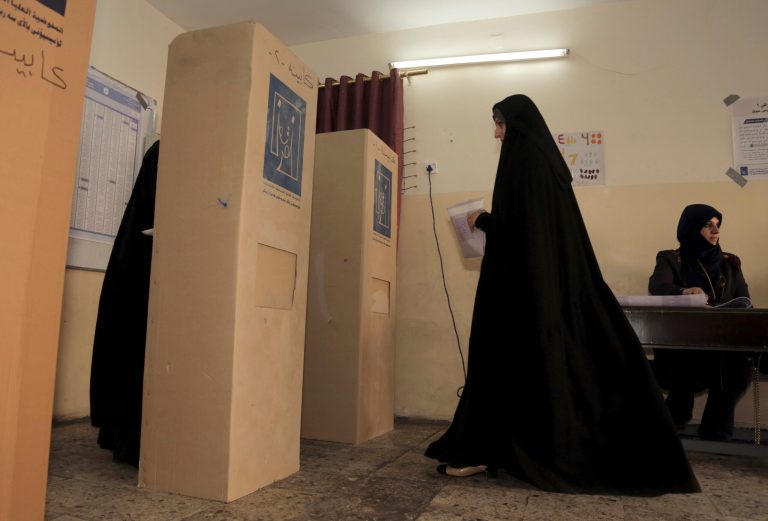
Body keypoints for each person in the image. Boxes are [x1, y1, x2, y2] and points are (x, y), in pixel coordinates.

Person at [425, 95, 700, 495]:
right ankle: (492, 449)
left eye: (501, 125)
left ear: (519, 126)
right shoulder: (546, 164)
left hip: (523, 294)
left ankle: (489, 449)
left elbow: (523, 230)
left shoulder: (526, 164)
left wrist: (483, 220)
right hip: (537, 289)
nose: (498, 134)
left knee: (504, 364)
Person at [648, 204, 751, 441]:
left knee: (737, 368)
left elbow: (744, 300)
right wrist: (683, 291)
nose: (715, 231)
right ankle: (673, 420)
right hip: (682, 342)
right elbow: (658, 286)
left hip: (721, 343)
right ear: (691, 228)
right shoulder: (671, 259)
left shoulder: (730, 263)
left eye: (718, 225)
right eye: (708, 225)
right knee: (685, 365)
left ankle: (715, 431)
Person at [90, 140, 159, 466]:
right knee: (135, 348)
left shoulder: (162, 149)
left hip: (139, 260)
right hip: (146, 261)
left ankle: (126, 435)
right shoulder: (166, 151)